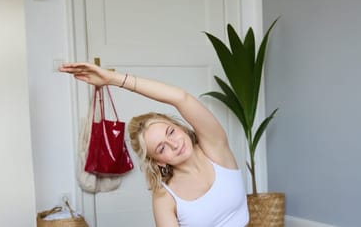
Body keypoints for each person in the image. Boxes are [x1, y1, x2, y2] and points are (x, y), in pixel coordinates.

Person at [59, 62, 249, 227]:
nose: (174, 144)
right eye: (162, 148)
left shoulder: (215, 147)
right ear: (159, 162)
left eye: (171, 132)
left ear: (180, 126)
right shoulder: (165, 197)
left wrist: (112, 78)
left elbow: (180, 97)